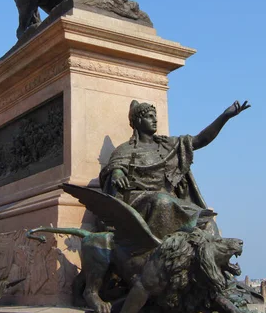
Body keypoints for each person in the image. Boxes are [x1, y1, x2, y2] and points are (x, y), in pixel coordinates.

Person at [100, 99, 250, 239]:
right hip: (141, 200)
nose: (155, 120)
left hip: (169, 199)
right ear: (138, 121)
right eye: (150, 117)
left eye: (155, 116)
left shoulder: (168, 145)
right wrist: (118, 174)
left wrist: (225, 116)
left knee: (207, 221)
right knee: (162, 201)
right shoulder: (126, 149)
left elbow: (200, 140)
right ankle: (158, 254)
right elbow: (115, 167)